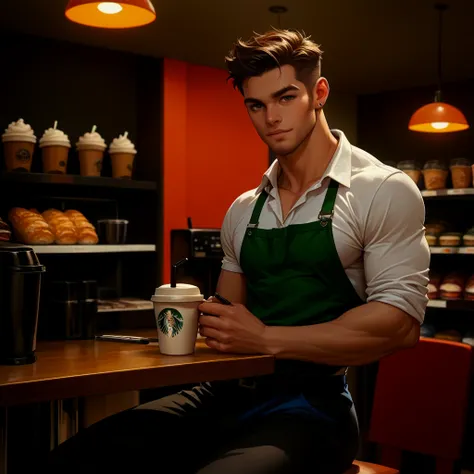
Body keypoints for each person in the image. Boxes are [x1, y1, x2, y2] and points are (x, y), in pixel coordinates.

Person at [47, 29, 430, 473]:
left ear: (318, 93)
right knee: (76, 459)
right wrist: (195, 317)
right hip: (221, 396)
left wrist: (267, 339)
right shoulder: (244, 210)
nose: (271, 117)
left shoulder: (381, 190)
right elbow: (230, 324)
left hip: (312, 409)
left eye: (285, 97)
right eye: (256, 104)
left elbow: (398, 325)